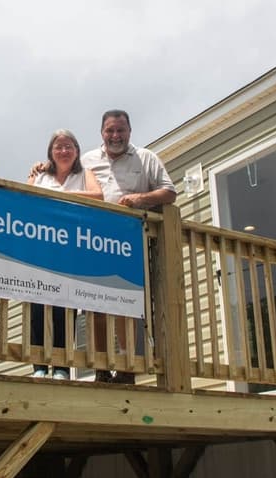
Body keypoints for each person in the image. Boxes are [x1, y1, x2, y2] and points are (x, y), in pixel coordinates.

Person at [82, 109, 177, 384]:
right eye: (110, 130)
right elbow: (62, 179)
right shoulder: (87, 160)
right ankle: (100, 369)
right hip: (92, 241)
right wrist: (41, 168)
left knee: (127, 303)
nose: (115, 136)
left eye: (120, 130)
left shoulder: (145, 157)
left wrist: (139, 198)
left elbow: (169, 193)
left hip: (130, 241)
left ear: (129, 132)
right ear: (102, 133)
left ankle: (127, 368)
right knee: (94, 305)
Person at [26, 129, 103, 379]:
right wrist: (34, 176)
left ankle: (60, 367)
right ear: (51, 151)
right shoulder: (40, 176)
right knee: (37, 305)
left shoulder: (84, 174)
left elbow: (98, 196)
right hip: (41, 245)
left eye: (69, 146)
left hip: (71, 248)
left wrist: (62, 195)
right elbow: (25, 199)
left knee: (65, 307)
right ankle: (38, 366)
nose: (63, 151)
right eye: (58, 146)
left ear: (76, 151)